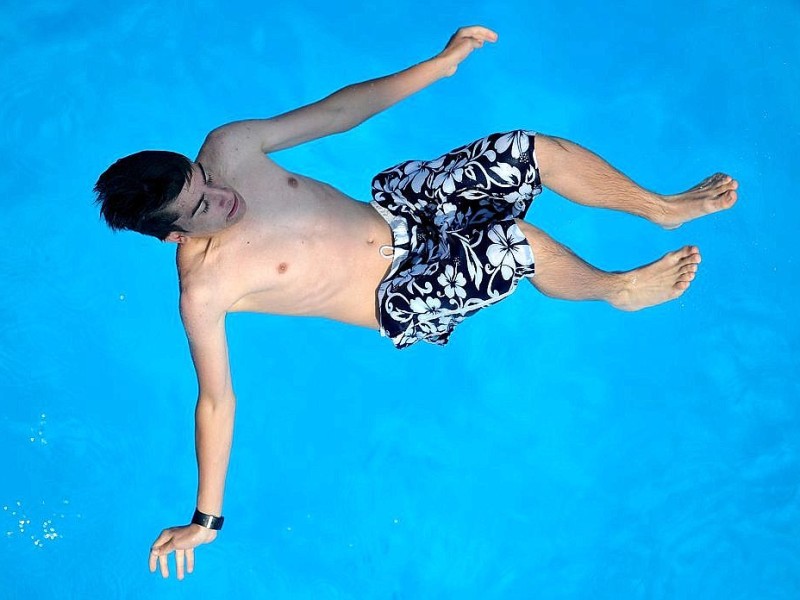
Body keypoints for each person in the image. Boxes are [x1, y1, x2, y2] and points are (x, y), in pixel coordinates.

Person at [94, 26, 737, 579]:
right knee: (518, 243)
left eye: (203, 181)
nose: (221, 197)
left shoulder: (229, 148)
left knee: (528, 149)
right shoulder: (205, 287)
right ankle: (618, 289)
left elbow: (338, 112)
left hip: (401, 210)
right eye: (202, 208)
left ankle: (665, 210)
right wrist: (206, 519)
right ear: (175, 236)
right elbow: (215, 401)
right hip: (397, 293)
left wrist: (438, 65)